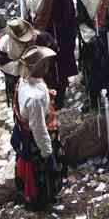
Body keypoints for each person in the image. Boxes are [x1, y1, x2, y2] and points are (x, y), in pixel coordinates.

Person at [18, 0, 78, 108]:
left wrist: (67, 40)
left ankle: (60, 97)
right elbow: (25, 18)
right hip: (38, 38)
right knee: (42, 71)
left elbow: (70, 15)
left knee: (59, 70)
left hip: (58, 37)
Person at [11, 46, 65, 209]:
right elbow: (38, 128)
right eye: (45, 64)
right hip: (36, 141)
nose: (48, 67)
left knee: (36, 173)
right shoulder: (34, 98)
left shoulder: (24, 80)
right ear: (39, 68)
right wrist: (47, 150)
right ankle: (42, 200)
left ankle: (38, 197)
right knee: (42, 173)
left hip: (27, 136)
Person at [0, 18, 36, 106]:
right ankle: (18, 102)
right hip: (9, 66)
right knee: (17, 87)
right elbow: (10, 60)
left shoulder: (21, 38)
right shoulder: (9, 43)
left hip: (16, 64)